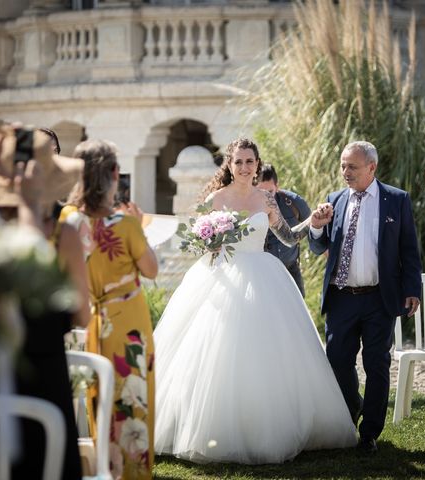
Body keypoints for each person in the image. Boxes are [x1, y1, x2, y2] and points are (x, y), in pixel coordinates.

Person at [154, 138, 357, 464]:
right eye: (239, 162)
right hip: (222, 280)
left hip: (264, 277)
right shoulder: (216, 198)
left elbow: (288, 236)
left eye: (250, 162)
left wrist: (313, 223)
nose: (245, 168)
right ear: (230, 166)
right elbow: (201, 244)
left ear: (257, 164)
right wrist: (210, 242)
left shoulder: (266, 198)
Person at [308, 140, 422, 455]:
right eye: (343, 165)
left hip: (379, 299)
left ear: (371, 167)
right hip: (342, 297)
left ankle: (369, 433)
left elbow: (409, 250)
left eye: (352, 167)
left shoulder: (396, 200)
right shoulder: (335, 200)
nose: (345, 172)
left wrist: (412, 289)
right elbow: (318, 247)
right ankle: (352, 407)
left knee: (377, 365)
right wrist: (317, 229)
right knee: (338, 362)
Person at [61, 139, 158, 480]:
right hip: (129, 320)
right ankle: (132, 473)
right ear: (115, 173)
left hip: (90, 320)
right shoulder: (127, 225)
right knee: (133, 396)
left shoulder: (68, 220)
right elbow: (151, 270)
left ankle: (103, 467)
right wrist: (139, 226)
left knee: (97, 395)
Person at [259, 163, 312, 296]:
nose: (266, 197)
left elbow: (313, 227)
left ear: (277, 186)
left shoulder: (293, 202)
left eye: (269, 192)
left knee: (298, 311)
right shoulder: (249, 207)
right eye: (261, 191)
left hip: (291, 269)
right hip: (261, 272)